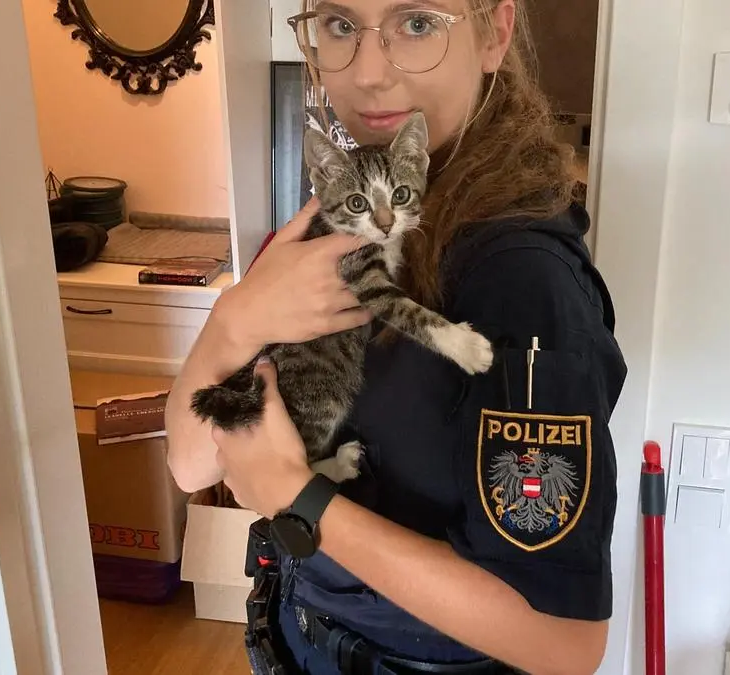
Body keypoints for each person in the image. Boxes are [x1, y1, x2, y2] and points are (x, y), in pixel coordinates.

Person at [165, 1, 625, 673]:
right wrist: (233, 320)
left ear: (494, 33)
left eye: (416, 22)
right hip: (292, 635)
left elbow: (565, 644)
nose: (369, 73)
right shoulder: (339, 216)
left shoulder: (523, 280)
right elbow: (191, 464)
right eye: (340, 25)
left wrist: (299, 498)